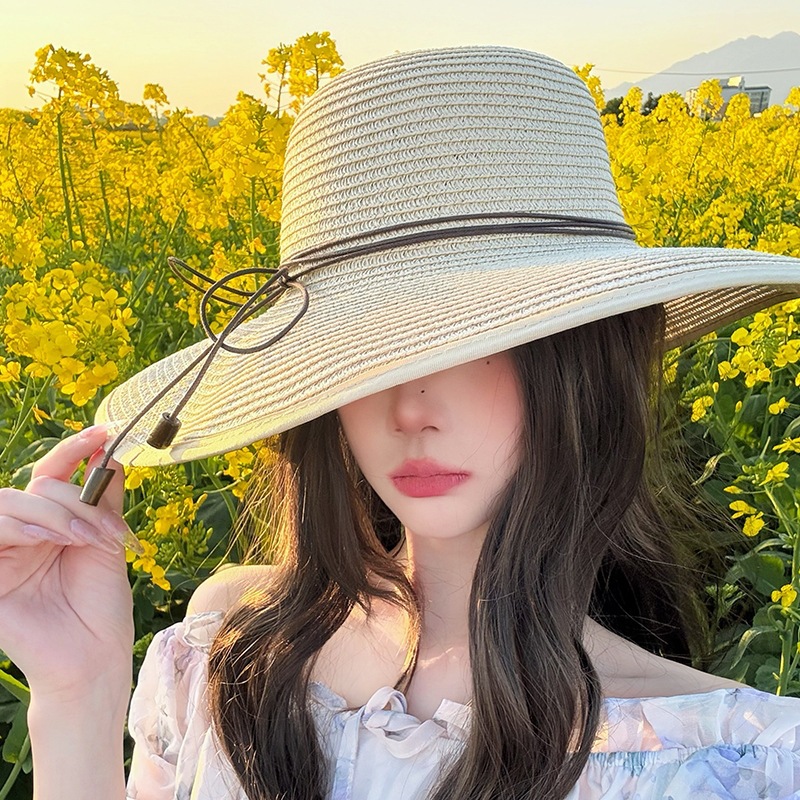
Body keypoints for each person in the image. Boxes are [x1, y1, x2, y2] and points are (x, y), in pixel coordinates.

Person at [2, 44, 800, 800]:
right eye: (362, 356)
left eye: (482, 341)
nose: (411, 409)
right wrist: (75, 692)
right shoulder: (220, 647)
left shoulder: (735, 763)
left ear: (583, 360)